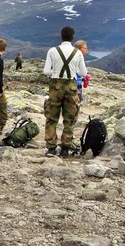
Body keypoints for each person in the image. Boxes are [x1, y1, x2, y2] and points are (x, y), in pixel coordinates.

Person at [43, 27, 87, 157]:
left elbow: (46, 71)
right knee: (70, 118)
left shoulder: (52, 51)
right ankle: (65, 148)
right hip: (71, 87)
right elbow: (83, 73)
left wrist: (55, 73)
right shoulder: (77, 53)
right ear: (72, 38)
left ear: (61, 37)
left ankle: (51, 148)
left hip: (55, 87)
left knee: (51, 117)